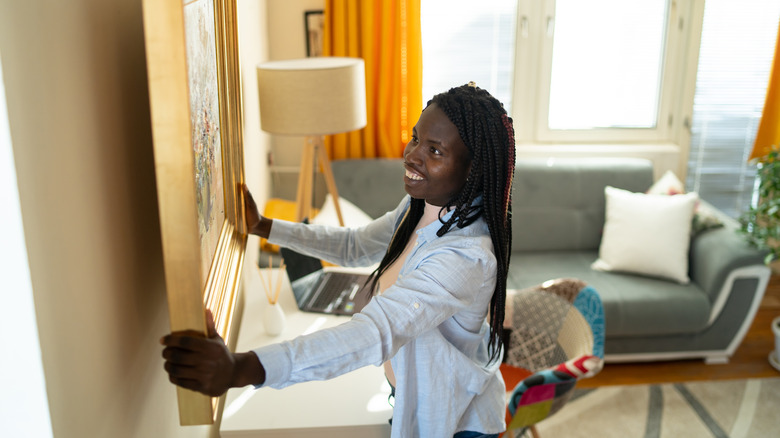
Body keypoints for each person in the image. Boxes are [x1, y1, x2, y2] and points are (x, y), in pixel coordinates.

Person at [161, 83, 516, 437]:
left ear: (474, 170)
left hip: (454, 419)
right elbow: (355, 245)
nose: (411, 155)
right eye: (415, 138)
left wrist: (242, 368)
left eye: (434, 150)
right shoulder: (421, 206)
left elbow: (376, 332)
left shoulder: (466, 256)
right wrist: (264, 226)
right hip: (411, 392)